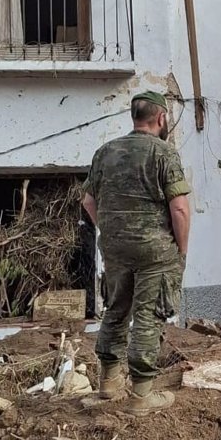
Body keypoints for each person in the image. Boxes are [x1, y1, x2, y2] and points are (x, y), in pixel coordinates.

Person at [82, 92, 190, 416]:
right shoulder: (164, 153)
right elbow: (180, 209)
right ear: (161, 118)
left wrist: (112, 231)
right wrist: (180, 252)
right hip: (154, 251)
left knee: (115, 309)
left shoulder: (105, 152)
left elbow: (88, 201)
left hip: (114, 248)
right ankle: (141, 396)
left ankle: (108, 384)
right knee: (148, 314)